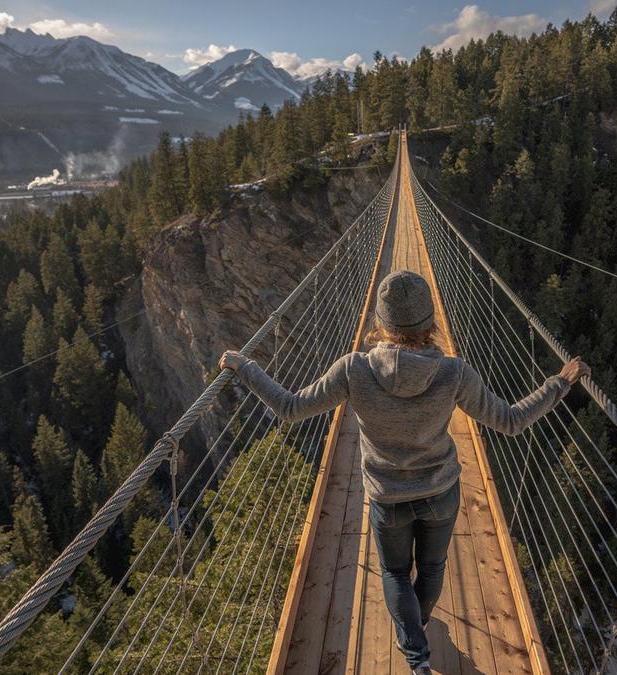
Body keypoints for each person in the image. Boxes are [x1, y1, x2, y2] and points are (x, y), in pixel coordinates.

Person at [220, 269, 589, 674]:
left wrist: (246, 367)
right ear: (431, 322)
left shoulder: (353, 370)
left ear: (379, 323)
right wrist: (558, 383)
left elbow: (290, 408)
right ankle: (420, 622)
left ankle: (417, 659)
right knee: (432, 568)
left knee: (394, 572)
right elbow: (509, 420)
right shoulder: (454, 373)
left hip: (387, 497)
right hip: (440, 493)